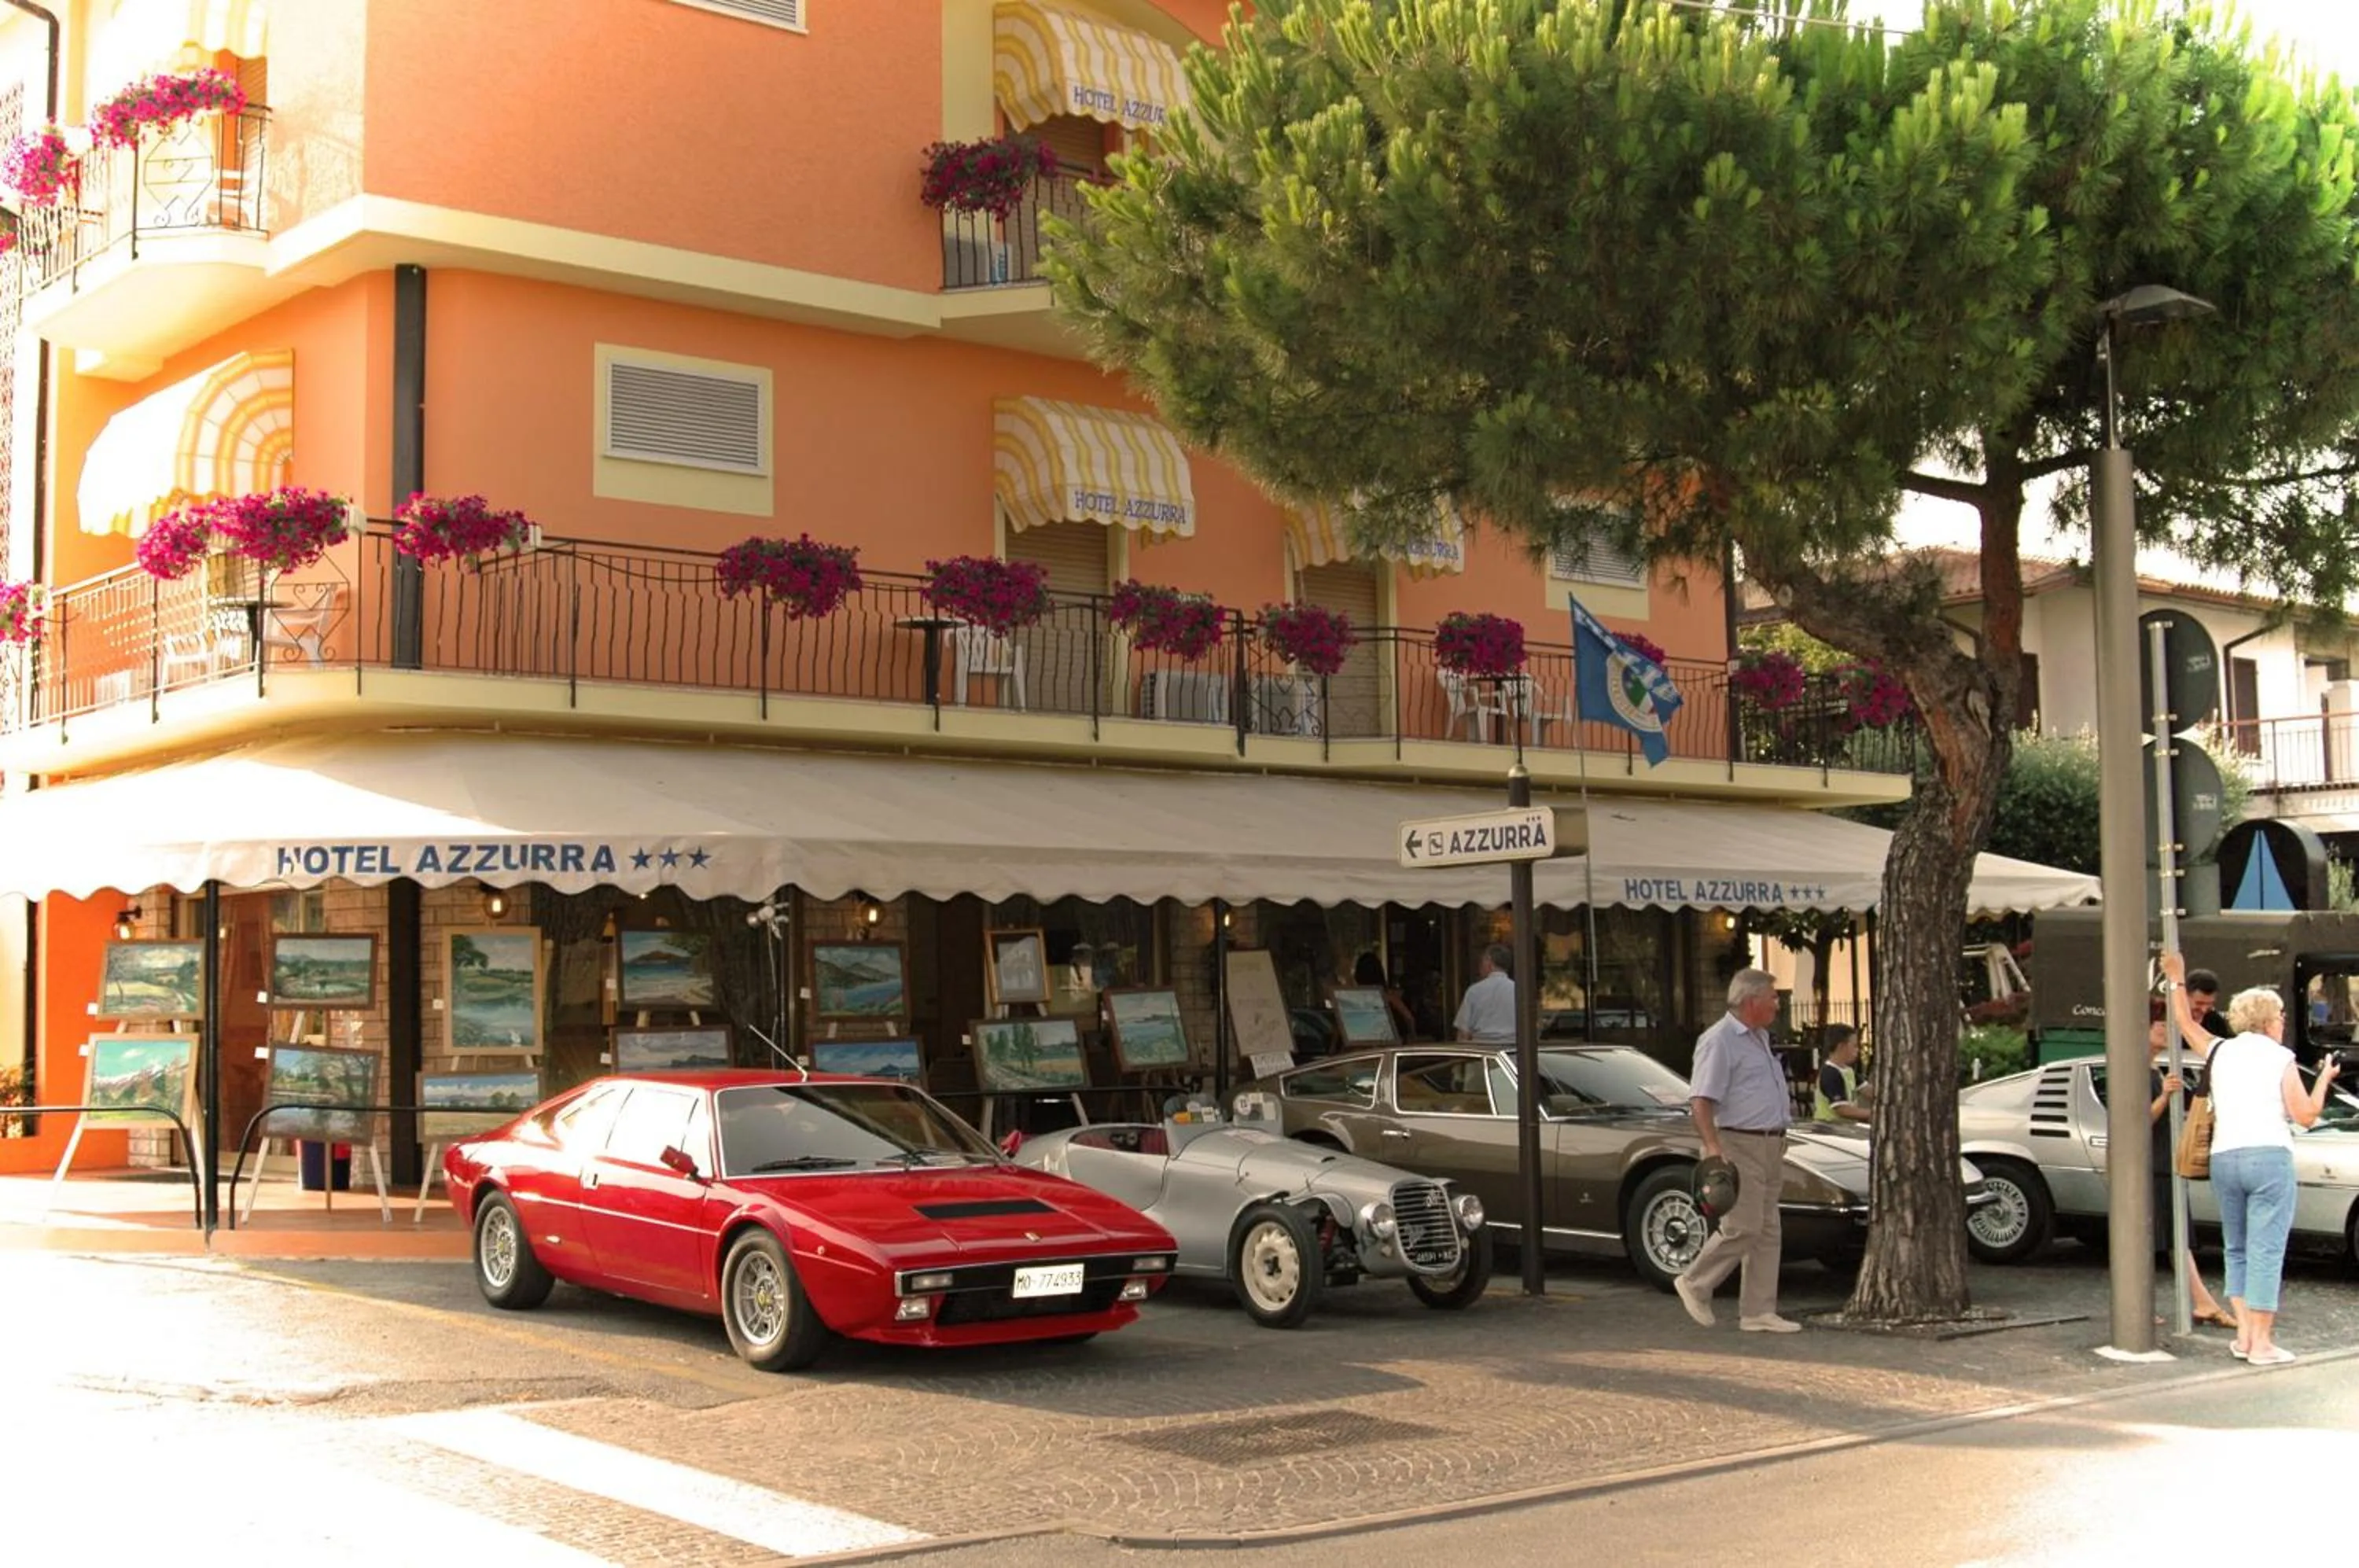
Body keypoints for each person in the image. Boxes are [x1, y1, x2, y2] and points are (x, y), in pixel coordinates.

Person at [2163, 952, 2342, 1364]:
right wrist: (2325, 1082)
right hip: (2268, 1156)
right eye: (2280, 1015)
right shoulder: (2279, 1057)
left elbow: (2185, 1023)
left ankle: (2244, 1334)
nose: (2283, 1021)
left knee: (2237, 1248)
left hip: (2226, 1157)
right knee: (2267, 1249)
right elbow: (2305, 1115)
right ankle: (2261, 1343)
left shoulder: (2219, 1050)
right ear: (2267, 1020)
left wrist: (2176, 980)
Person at [1675, 968, 1799, 1333]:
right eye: (1773, 997)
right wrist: (1714, 1147)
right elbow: (1700, 1100)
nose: (1779, 1003)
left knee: (1767, 1229)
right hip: (1738, 1142)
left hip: (1770, 1142)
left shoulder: (1759, 1037)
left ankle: (1758, 1311)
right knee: (1742, 1226)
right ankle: (1695, 1282)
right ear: (1751, 1001)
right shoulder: (1720, 1040)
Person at [2144, 1004, 2234, 1329]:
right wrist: (2166, 1098)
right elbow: (2137, 1121)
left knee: (2173, 1237)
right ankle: (2145, 1305)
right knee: (2157, 1237)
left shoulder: (2154, 1068)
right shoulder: (2141, 1071)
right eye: (2159, 1025)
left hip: (2164, 1163)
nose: (2166, 1032)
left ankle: (2202, 1302)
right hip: (2151, 1166)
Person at [1453, 944, 1517, 1044]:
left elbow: (1463, 1032)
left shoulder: (1475, 991)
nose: (1480, 967)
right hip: (1513, 1050)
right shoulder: (1518, 991)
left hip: (1482, 1050)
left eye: (1481, 961)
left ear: (1489, 961)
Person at [1355, 951, 1419, 1041]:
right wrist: (1413, 1038)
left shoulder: (1356, 1000)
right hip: (1389, 1045)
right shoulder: (1388, 997)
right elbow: (1409, 1018)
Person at [1812, 1026, 1869, 1124]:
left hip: (1845, 1128)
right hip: (1829, 1128)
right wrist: (1874, 1113)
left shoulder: (1848, 1071)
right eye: (1854, 1046)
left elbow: (1868, 1091)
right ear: (1841, 1047)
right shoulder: (1830, 1073)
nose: (1858, 1050)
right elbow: (1842, 1110)